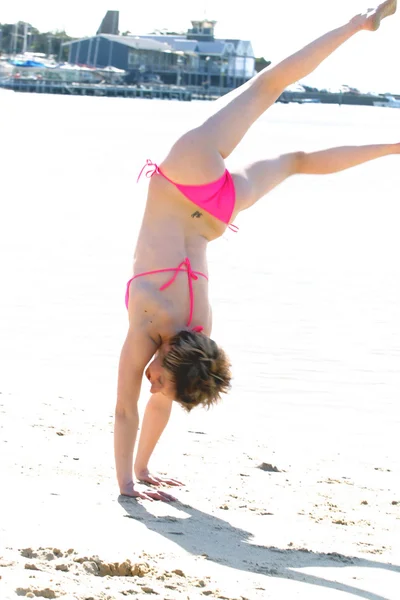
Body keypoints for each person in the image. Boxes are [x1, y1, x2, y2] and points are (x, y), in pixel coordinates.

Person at [115, 1, 398, 501]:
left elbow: (157, 398)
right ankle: (357, 28)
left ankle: (374, 75)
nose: (152, 385)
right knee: (267, 88)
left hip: (218, 212)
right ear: (173, 358)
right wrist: (128, 481)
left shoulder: (200, 336)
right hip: (189, 178)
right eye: (161, 381)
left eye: (157, 383)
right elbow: (130, 407)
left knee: (294, 156)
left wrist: (140, 474)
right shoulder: (147, 323)